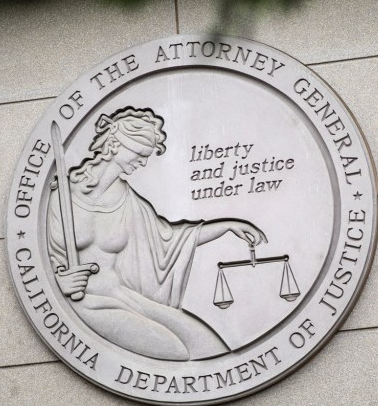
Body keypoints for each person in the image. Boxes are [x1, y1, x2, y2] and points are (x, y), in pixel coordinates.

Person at [47, 106, 266, 361]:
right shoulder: (62, 193)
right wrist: (59, 282)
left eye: (147, 155)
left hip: (123, 296)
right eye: (140, 153)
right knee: (176, 352)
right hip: (86, 301)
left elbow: (172, 240)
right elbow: (48, 261)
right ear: (116, 144)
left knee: (208, 345)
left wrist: (226, 226)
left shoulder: (126, 200)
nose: (143, 162)